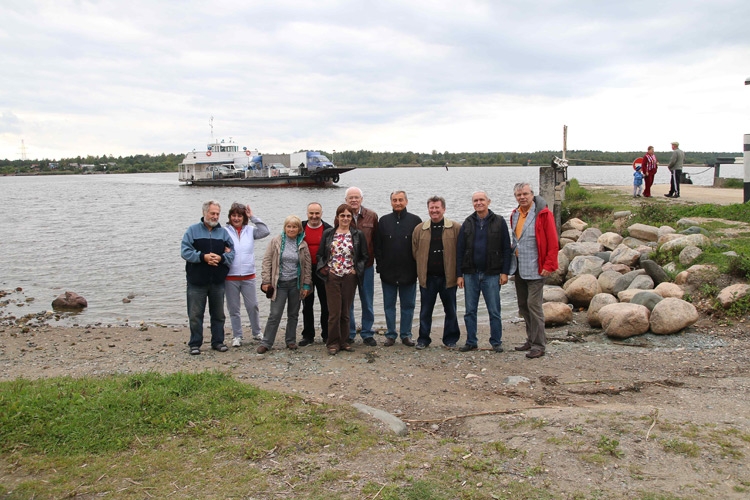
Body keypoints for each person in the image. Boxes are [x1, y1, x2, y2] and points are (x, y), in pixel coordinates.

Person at [456, 191, 511, 353]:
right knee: (469, 311)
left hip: (492, 274)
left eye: (481, 200)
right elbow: (460, 250)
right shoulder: (467, 222)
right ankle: (471, 341)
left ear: (488, 201)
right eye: (475, 200)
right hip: (470, 273)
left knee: (494, 311)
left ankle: (496, 341)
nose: (478, 203)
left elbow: (506, 248)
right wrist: (459, 274)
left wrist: (505, 272)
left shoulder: (499, 221)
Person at [509, 183, 559, 359]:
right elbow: (516, 240)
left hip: (537, 269)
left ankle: (539, 345)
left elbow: (553, 241)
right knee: (523, 305)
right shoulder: (515, 214)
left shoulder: (543, 214)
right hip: (519, 268)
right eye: (518, 195)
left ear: (532, 194)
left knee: (534, 305)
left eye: (525, 194)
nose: (522, 197)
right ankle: (530, 339)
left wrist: (549, 265)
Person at [181, 200, 235, 355]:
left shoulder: (223, 233)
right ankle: (195, 343)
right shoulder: (192, 231)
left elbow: (232, 253)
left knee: (218, 315)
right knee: (195, 315)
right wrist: (202, 257)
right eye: (212, 213)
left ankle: (218, 342)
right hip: (196, 281)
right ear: (204, 213)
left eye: (217, 214)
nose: (215, 216)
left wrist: (221, 258)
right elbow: (185, 251)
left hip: (217, 281)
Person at [316, 204, 368, 355]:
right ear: (337, 217)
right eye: (342, 216)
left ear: (351, 218)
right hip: (332, 276)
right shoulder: (328, 234)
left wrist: (355, 270)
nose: (345, 218)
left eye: (348, 216)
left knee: (345, 311)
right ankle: (332, 342)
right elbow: (320, 255)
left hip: (349, 277)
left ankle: (344, 341)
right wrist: (326, 269)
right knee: (334, 312)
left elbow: (364, 256)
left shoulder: (357, 235)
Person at [412, 196, 461, 349]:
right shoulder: (420, 229)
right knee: (425, 311)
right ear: (428, 209)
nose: (434, 211)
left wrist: (459, 275)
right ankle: (423, 339)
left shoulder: (455, 228)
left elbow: (461, 252)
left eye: (437, 208)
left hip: (448, 277)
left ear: (443, 209)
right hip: (428, 278)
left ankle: (450, 339)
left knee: (451, 310)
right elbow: (415, 251)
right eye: (431, 208)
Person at [257, 215, 312, 354]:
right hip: (279, 284)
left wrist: (306, 285)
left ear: (299, 229)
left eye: (294, 227)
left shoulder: (303, 245)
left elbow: (307, 267)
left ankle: (291, 340)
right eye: (289, 226)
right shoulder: (275, 241)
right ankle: (266, 342)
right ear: (285, 227)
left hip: (295, 284)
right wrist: (266, 281)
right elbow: (266, 261)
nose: (291, 229)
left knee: (293, 314)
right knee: (275, 314)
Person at [375, 190, 422, 347]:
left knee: (408, 305)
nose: (398, 203)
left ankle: (406, 335)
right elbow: (378, 247)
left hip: (409, 272)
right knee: (389, 306)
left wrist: (417, 269)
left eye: (400, 200)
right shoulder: (384, 221)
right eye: (394, 200)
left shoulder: (416, 221)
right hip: (388, 272)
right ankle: (390, 334)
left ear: (406, 201)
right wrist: (380, 267)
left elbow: (420, 247)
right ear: (391, 202)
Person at [225, 202, 270, 347]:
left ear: (244, 217)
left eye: (240, 216)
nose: (236, 218)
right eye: (234, 215)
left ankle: (257, 332)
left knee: (253, 306)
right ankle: (237, 336)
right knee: (234, 309)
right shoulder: (224, 231)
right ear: (230, 217)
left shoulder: (250, 231)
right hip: (230, 277)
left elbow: (265, 231)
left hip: (248, 276)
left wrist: (252, 217)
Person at [345, 187, 379, 346]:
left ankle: (367, 333)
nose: (353, 200)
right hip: (348, 267)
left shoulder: (372, 216)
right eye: (350, 198)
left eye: (356, 197)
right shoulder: (342, 216)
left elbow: (376, 241)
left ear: (361, 199)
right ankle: (350, 332)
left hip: (367, 266)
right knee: (348, 302)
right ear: (346, 200)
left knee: (367, 300)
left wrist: (379, 263)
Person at [300, 202, 332, 346]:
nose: (314, 216)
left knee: (326, 304)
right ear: (307, 214)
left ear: (321, 214)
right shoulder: (300, 228)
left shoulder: (328, 229)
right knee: (307, 304)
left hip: (323, 270)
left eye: (317, 213)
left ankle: (326, 334)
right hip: (305, 270)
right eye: (311, 213)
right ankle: (308, 335)